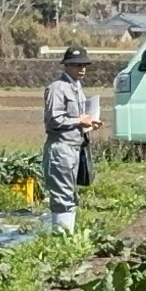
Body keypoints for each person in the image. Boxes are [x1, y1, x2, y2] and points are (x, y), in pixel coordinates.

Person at [43, 46, 101, 233]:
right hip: (61, 147)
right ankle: (62, 237)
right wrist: (79, 120)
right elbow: (53, 120)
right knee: (62, 196)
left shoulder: (77, 88)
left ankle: (68, 235)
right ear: (66, 66)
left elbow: (76, 119)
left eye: (84, 65)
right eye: (77, 65)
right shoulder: (57, 88)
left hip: (75, 147)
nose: (81, 69)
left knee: (70, 193)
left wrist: (89, 122)